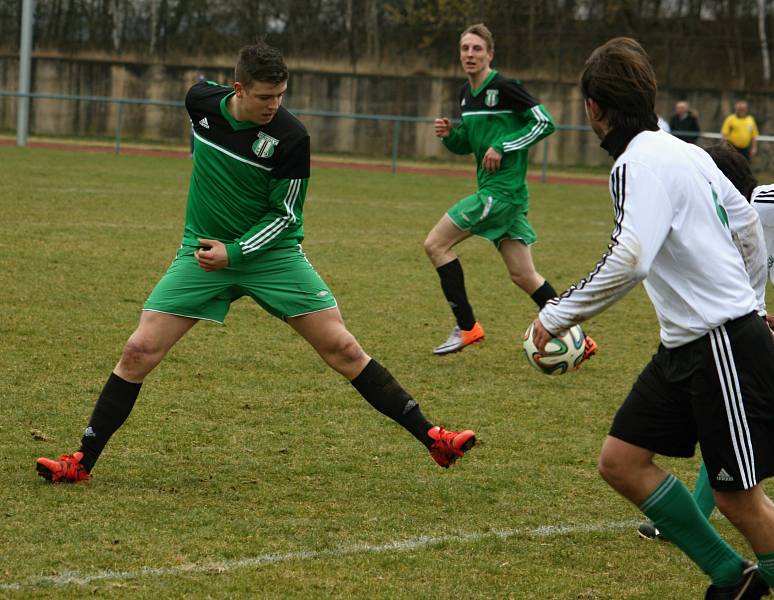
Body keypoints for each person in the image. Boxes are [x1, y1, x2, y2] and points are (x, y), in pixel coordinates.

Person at [35, 43, 476, 483]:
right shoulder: (201, 102)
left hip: (272, 257)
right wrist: (221, 248)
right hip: (203, 252)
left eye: (281, 95)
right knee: (138, 351)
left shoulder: (291, 138)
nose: (274, 106)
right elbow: (203, 96)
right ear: (238, 89)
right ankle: (82, 462)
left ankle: (434, 437)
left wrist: (239, 251)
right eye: (265, 97)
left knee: (342, 348)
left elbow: (286, 217)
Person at [532, 38, 774, 598]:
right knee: (622, 462)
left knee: (739, 499)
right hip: (687, 345)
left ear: (593, 109)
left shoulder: (635, 163)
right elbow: (748, 226)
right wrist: (751, 300)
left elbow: (631, 258)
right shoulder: (686, 150)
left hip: (720, 344)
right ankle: (731, 577)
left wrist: (558, 313)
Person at [639, 141, 774, 541]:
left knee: (739, 407)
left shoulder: (761, 203)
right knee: (760, 404)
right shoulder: (733, 231)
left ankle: (688, 519)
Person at [424, 22, 598, 361]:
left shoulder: (505, 87)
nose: (470, 55)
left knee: (435, 244)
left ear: (490, 54)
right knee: (523, 274)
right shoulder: (465, 94)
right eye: (465, 49)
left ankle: (467, 327)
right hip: (501, 194)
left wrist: (503, 145)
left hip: (501, 193)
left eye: (477, 49)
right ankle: (580, 338)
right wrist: (451, 135)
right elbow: (472, 144)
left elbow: (544, 122)